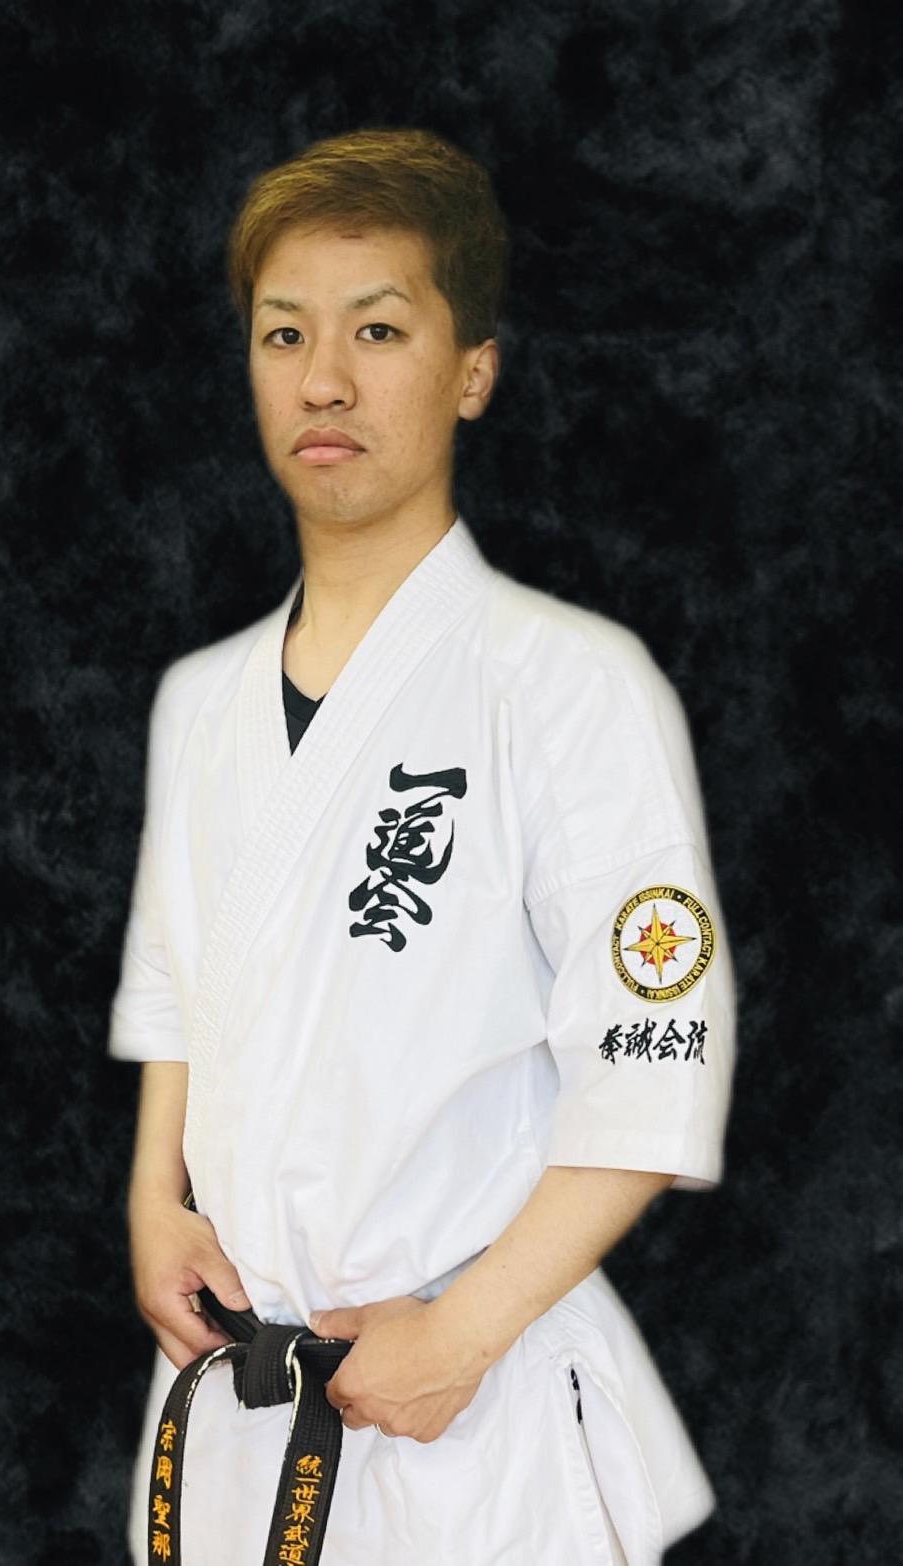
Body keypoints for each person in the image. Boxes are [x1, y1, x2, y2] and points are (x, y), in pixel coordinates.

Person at [109, 127, 734, 1566]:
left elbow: (657, 1053)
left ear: (473, 371)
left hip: (474, 1407)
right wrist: (153, 1201)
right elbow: (180, 992)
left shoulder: (569, 684)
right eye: (285, 333)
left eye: (378, 330)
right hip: (241, 1399)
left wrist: (462, 1332)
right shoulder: (200, 703)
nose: (323, 380)